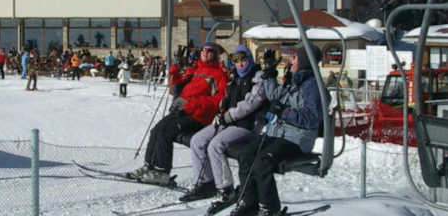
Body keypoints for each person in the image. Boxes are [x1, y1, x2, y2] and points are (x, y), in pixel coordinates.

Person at [230, 44, 325, 216]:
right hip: (278, 134)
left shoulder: (313, 86)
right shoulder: (294, 80)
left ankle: (269, 208)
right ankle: (249, 201)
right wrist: (270, 74)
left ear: (304, 61)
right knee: (245, 154)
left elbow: (312, 118)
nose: (291, 61)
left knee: (262, 161)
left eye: (295, 58)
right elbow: (275, 96)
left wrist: (284, 112)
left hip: (296, 139)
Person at [181, 45, 268, 211]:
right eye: (237, 61)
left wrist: (228, 116)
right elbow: (226, 98)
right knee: (197, 140)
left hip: (247, 125)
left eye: (243, 60)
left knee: (215, 145)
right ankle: (206, 182)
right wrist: (221, 108)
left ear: (250, 60)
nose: (240, 64)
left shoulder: (257, 78)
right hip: (229, 122)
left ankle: (226, 188)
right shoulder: (234, 77)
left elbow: (250, 104)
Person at [127, 42, 228, 186]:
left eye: (210, 50)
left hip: (199, 116)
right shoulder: (195, 69)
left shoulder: (219, 75)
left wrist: (192, 103)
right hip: (183, 110)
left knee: (166, 131)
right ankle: (150, 165)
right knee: (156, 130)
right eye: (203, 50)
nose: (205, 53)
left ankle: (162, 171)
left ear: (216, 54)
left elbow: (217, 101)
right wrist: (175, 69)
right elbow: (175, 89)